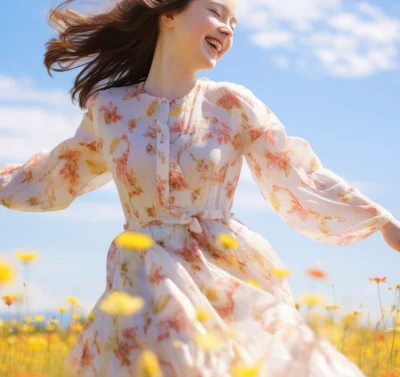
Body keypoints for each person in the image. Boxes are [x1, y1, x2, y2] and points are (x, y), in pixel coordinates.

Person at [1, 0, 399, 376]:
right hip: (140, 279)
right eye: (216, 12)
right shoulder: (110, 108)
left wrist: (380, 220)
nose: (227, 29)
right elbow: (60, 171)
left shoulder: (231, 104)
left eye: (234, 24)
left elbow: (296, 171)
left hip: (222, 272)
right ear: (169, 15)